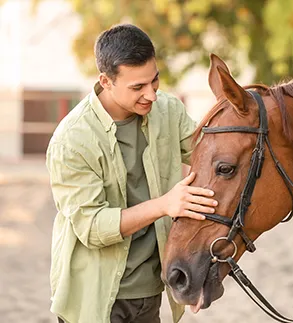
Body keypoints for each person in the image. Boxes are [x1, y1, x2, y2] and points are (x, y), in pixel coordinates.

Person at [46, 24, 218, 323]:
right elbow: (93, 227)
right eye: (137, 87)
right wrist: (164, 204)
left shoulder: (168, 110)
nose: (151, 95)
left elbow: (214, 160)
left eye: (155, 81)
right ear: (106, 81)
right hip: (94, 298)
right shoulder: (71, 141)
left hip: (150, 292)